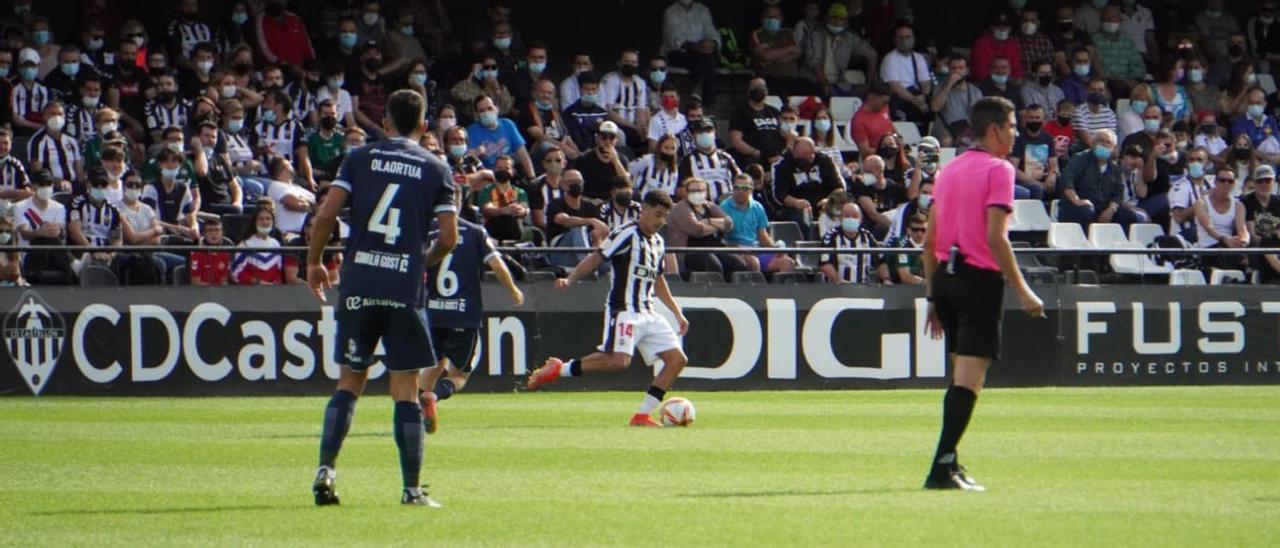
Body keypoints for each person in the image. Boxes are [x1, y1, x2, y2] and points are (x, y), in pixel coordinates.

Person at [306, 89, 458, 508]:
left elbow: (325, 214)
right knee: (405, 388)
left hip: (358, 284)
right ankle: (411, 490)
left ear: (385, 123)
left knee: (349, 381)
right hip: (402, 288)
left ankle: (326, 470)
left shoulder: (358, 158)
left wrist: (314, 262)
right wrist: (420, 262)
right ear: (424, 125)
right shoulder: (436, 167)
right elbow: (449, 238)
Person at [921, 96, 1044, 491]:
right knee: (969, 379)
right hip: (977, 280)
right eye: (1011, 127)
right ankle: (941, 467)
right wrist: (1023, 290)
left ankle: (951, 461)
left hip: (945, 277)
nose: (1015, 135)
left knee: (960, 373)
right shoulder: (999, 170)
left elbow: (929, 242)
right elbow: (996, 237)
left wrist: (932, 297)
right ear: (994, 130)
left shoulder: (950, 169)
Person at [526, 190, 690, 429]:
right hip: (624, 310)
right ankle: (559, 369)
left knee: (677, 360)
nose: (659, 221)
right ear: (643, 209)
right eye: (656, 214)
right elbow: (597, 258)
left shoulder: (658, 242)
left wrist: (676, 312)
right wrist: (570, 279)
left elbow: (658, 279)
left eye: (664, 217)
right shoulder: (626, 234)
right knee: (618, 362)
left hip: (649, 312)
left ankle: (642, 416)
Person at [418, 216, 524, 434]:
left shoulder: (427, 229)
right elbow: (496, 264)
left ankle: (412, 412)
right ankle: (434, 396)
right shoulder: (475, 232)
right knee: (459, 375)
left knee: (434, 364)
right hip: (464, 315)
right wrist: (513, 290)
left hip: (434, 312)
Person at [1057, 129, 1139, 230]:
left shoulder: (1115, 168)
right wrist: (1077, 200)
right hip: (1076, 206)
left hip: (1102, 208)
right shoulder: (1080, 159)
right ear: (1093, 143)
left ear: (1114, 148)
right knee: (1086, 212)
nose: (1104, 144)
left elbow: (1118, 192)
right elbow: (1066, 180)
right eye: (1101, 141)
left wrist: (1111, 209)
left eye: (1108, 143)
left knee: (1128, 215)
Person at [722, 173, 794, 274]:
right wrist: (738, 248)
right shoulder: (724, 207)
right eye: (737, 188)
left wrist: (775, 250)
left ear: (751, 190)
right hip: (734, 252)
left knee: (787, 262)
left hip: (755, 250)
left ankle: (778, 290)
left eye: (745, 188)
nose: (740, 191)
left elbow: (763, 236)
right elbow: (721, 240)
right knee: (753, 262)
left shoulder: (758, 207)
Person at [771, 137, 842, 238]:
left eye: (805, 157)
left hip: (824, 205)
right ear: (794, 152)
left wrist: (829, 200)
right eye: (799, 156)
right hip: (797, 206)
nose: (801, 160)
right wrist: (796, 202)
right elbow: (779, 195)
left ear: (814, 152)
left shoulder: (825, 161)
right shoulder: (783, 165)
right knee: (802, 217)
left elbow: (839, 187)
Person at [802, 3, 877, 97]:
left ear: (846, 22)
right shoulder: (815, 34)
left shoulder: (849, 37)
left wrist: (868, 85)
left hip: (839, 82)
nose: (837, 22)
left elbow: (872, 55)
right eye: (834, 18)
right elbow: (815, 62)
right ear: (827, 19)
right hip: (814, 81)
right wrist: (826, 85)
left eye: (841, 19)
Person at [661, 0, 720, 105]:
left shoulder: (703, 10)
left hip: (702, 54)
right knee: (706, 60)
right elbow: (675, 39)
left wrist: (711, 43)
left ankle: (699, 93)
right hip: (678, 52)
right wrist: (698, 47)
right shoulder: (670, 12)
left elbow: (711, 32)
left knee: (708, 59)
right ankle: (703, 98)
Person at [1194, 166, 1250, 271]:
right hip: (1207, 249)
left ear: (1234, 184)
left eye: (1230, 181)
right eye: (1222, 180)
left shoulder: (1238, 205)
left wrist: (1244, 240)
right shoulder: (1201, 203)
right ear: (1215, 182)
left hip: (1229, 248)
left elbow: (1242, 228)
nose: (1226, 183)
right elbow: (1209, 227)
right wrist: (1224, 239)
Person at [467, 94, 535, 179]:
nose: (486, 113)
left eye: (489, 108)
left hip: (511, 171)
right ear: (477, 114)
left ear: (497, 109)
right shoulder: (473, 130)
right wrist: (477, 151)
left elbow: (522, 153)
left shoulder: (508, 124)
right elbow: (468, 157)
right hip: (490, 176)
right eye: (482, 111)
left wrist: (532, 177)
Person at [819, 202, 886, 285]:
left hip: (862, 287)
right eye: (846, 216)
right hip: (836, 287)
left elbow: (879, 261)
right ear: (840, 218)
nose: (850, 219)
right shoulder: (831, 236)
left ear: (861, 219)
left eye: (854, 216)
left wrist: (886, 279)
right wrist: (838, 280)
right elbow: (824, 263)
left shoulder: (867, 236)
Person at [880, 23, 933, 126]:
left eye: (908, 37)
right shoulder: (890, 58)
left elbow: (926, 82)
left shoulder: (919, 58)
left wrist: (924, 96)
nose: (905, 40)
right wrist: (916, 101)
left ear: (913, 38)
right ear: (894, 40)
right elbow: (895, 86)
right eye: (901, 37)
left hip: (918, 97)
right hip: (900, 100)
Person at [679, 118, 741, 204]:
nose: (704, 134)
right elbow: (680, 190)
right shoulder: (688, 160)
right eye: (700, 132)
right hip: (703, 208)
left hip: (729, 206)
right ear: (693, 136)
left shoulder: (726, 157)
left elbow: (740, 180)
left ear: (714, 132)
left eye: (708, 131)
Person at [729, 77, 785, 167]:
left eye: (762, 86)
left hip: (776, 158)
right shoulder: (739, 112)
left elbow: (784, 133)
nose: (759, 89)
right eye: (755, 87)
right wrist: (756, 153)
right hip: (754, 159)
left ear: (766, 91)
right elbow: (736, 140)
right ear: (748, 91)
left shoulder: (774, 111)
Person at [601, 49, 650, 149]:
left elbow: (641, 110)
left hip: (634, 125)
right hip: (616, 123)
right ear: (619, 63)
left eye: (633, 62)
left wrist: (642, 128)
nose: (630, 65)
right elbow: (608, 111)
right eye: (627, 62)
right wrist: (633, 127)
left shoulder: (640, 82)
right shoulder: (610, 80)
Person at [1168, 147, 1214, 242]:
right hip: (1186, 236)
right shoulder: (1180, 187)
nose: (1195, 163)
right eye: (1191, 160)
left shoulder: (1212, 184)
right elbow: (1178, 217)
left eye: (1199, 160)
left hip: (1208, 232)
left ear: (1207, 164)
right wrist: (1204, 201)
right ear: (1187, 164)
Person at [231, 206, 284, 285]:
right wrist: (258, 282)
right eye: (261, 219)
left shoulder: (276, 244)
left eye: (268, 218)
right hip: (250, 291)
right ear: (254, 222)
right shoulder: (245, 245)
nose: (265, 222)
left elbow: (279, 270)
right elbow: (236, 273)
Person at [970, 12, 1023, 82]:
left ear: (1010, 29)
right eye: (998, 26)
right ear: (991, 27)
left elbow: (1016, 72)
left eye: (1006, 26)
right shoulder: (981, 43)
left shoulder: (1013, 44)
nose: (1002, 29)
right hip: (984, 83)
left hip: (1008, 83)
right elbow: (980, 73)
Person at [631, 134, 682, 200]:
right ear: (659, 147)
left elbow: (670, 193)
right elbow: (629, 171)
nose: (669, 152)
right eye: (666, 148)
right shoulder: (647, 160)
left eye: (673, 148)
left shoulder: (674, 170)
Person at [1072, 78, 1118, 149]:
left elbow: (1111, 139)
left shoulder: (1109, 113)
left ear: (1105, 92)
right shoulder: (1079, 112)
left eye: (1101, 90)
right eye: (1093, 90)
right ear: (1086, 91)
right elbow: (1087, 141)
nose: (1097, 93)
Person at [852, 83, 895, 159]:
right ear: (873, 98)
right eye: (884, 102)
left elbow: (889, 125)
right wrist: (886, 151)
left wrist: (899, 138)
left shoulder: (884, 107)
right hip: (876, 159)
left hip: (893, 155)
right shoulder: (858, 120)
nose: (886, 104)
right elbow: (864, 151)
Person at [1243, 165, 1280, 243]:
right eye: (1260, 181)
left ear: (1273, 182)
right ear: (1254, 183)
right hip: (1255, 250)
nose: (1264, 184)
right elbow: (1253, 237)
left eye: (1268, 181)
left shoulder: (1278, 202)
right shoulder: (1246, 202)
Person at [647, 83, 686, 152]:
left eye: (672, 96)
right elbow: (653, 147)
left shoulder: (683, 119)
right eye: (665, 97)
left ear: (678, 98)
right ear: (661, 98)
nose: (668, 99)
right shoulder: (655, 120)